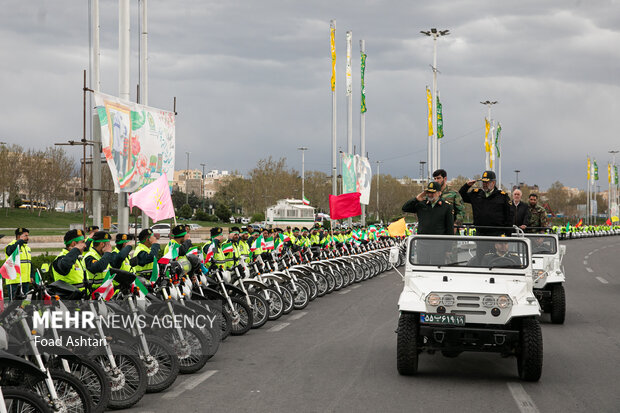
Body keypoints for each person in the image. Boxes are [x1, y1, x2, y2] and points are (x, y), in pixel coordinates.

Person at [459, 170, 514, 236]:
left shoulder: (502, 196)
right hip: (480, 233)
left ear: (493, 182)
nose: (484, 184)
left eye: (487, 182)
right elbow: (461, 196)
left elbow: (509, 217)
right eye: (483, 182)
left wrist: (507, 236)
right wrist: (467, 186)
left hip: (496, 234)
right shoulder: (476, 194)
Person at [3, 228, 34, 300]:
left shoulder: (27, 248)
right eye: (25, 236)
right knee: (14, 304)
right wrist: (19, 243)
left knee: (24, 303)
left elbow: (29, 262)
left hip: (25, 281)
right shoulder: (11, 245)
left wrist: (31, 275)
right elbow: (9, 252)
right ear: (19, 236)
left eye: (28, 236)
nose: (27, 238)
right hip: (14, 281)